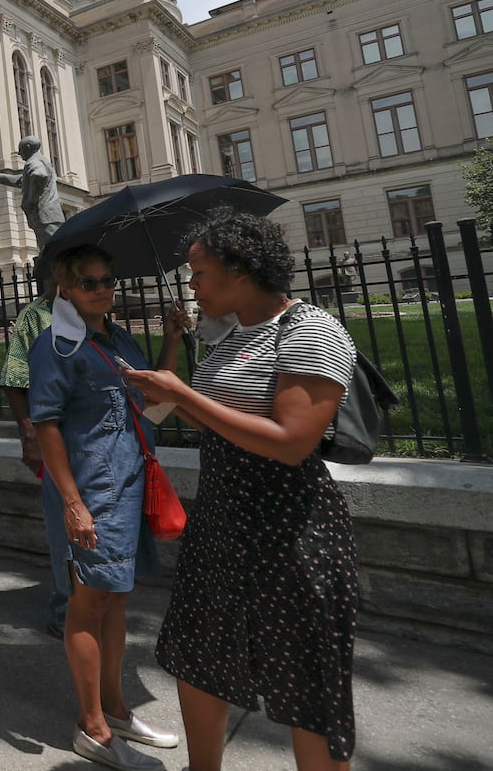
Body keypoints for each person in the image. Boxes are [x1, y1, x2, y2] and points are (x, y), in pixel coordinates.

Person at [126, 211, 360, 771]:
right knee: (199, 657)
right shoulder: (228, 333)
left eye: (200, 272)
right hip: (222, 519)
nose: (192, 286)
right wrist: (170, 376)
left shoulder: (312, 329)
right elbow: (206, 417)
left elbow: (290, 442)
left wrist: (185, 395)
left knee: (306, 682)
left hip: (290, 527)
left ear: (240, 270)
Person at [28, 244, 178, 771]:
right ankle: (91, 727)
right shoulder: (57, 347)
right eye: (90, 283)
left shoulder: (118, 339)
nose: (102, 290)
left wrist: (174, 340)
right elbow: (44, 424)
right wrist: (72, 503)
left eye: (108, 281)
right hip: (90, 490)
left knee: (115, 600)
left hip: (128, 484)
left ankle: (114, 707)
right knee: (88, 603)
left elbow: (152, 402)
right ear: (65, 288)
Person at [0, 267, 68, 639]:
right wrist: (28, 433)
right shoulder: (36, 315)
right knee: (63, 522)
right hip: (52, 432)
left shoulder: (92, 314)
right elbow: (14, 376)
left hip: (91, 434)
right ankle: (65, 607)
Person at [0, 135, 65, 250]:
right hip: (49, 214)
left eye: (20, 149)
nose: (19, 153)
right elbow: (21, 180)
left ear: (28, 147)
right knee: (52, 249)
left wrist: (31, 199)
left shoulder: (32, 162)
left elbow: (39, 175)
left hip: (43, 214)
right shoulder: (43, 160)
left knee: (53, 251)